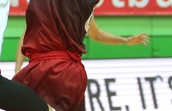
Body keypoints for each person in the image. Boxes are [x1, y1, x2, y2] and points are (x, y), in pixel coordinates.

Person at [13, 17, 149, 74]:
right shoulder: (46, 1)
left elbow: (97, 35)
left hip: (69, 69)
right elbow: (26, 36)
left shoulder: (84, 5)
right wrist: (18, 68)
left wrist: (125, 41)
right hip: (43, 67)